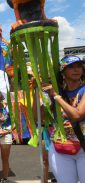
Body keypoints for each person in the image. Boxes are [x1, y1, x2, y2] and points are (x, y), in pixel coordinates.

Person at [41, 55, 85, 183]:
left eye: (79, 66)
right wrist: (36, 90)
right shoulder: (55, 91)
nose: (76, 70)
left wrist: (55, 96)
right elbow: (39, 116)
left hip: (83, 146)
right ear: (63, 72)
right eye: (71, 67)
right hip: (61, 147)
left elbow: (77, 115)